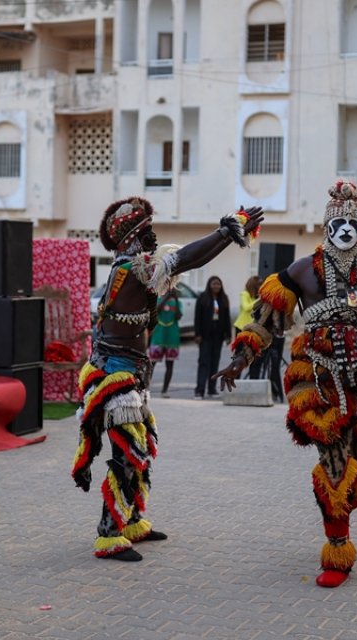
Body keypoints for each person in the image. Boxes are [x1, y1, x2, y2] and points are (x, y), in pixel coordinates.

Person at [215, 181, 357, 588]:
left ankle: (340, 516)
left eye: (353, 222)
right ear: (326, 226)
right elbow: (265, 320)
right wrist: (240, 358)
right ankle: (337, 547)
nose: (346, 229)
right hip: (315, 377)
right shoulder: (300, 270)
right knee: (333, 457)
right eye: (339, 222)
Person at [71, 197, 263, 562]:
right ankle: (108, 534)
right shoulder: (129, 269)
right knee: (126, 452)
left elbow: (185, 260)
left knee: (140, 451)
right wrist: (227, 229)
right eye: (145, 233)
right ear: (129, 239)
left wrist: (228, 234)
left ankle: (132, 521)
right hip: (114, 372)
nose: (153, 238)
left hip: (131, 371)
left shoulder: (138, 269)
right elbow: (184, 259)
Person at [194, 276, 232, 398]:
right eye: (214, 284)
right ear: (209, 285)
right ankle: (200, 390)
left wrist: (228, 334)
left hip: (218, 336)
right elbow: (197, 318)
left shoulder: (224, 299)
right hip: (205, 336)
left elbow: (227, 318)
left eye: (218, 284)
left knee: (215, 362)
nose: (216, 286)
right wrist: (197, 334)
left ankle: (211, 389)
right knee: (204, 362)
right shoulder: (203, 298)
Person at [148, 287, 183, 398]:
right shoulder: (158, 300)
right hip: (158, 337)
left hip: (172, 338)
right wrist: (166, 298)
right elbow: (157, 310)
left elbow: (178, 316)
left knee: (170, 365)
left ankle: (165, 390)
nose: (169, 291)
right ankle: (146, 388)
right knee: (152, 364)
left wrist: (176, 300)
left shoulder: (178, 303)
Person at [236, 276, 261, 378]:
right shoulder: (244, 294)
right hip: (242, 328)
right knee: (239, 355)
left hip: (254, 330)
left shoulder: (256, 298)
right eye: (259, 285)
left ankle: (254, 379)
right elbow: (246, 307)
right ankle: (235, 378)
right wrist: (260, 299)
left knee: (255, 356)